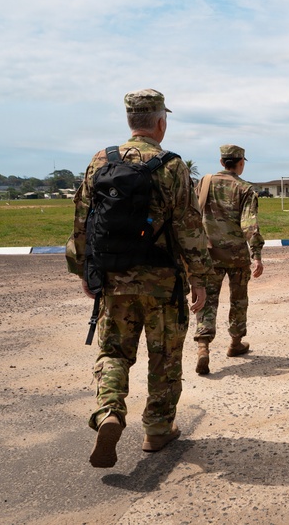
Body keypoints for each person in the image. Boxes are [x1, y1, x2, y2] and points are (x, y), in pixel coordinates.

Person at [66, 89, 213, 468]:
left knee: (114, 351)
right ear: (161, 122)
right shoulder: (173, 165)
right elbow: (188, 226)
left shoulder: (102, 160)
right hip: (163, 282)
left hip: (115, 278)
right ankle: (157, 429)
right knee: (164, 357)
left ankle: (110, 411)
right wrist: (199, 278)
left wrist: (85, 270)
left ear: (130, 121)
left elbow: (83, 219)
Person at [193, 144, 265, 375]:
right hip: (236, 256)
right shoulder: (245, 189)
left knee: (207, 299)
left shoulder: (203, 183)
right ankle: (235, 343)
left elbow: (191, 215)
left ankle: (203, 347)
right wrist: (257, 255)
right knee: (238, 299)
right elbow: (249, 225)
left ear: (222, 161)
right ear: (240, 163)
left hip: (209, 254)